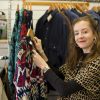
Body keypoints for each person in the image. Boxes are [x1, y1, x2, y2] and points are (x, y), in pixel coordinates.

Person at [32, 16, 100, 100]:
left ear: (94, 34)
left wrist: (43, 66)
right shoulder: (79, 56)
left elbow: (65, 89)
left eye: (85, 32)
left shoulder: (97, 62)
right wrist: (42, 53)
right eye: (76, 33)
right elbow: (60, 75)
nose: (80, 36)